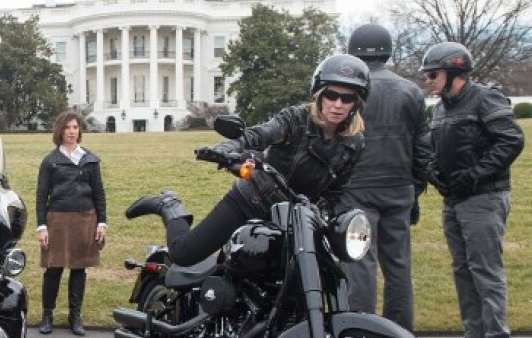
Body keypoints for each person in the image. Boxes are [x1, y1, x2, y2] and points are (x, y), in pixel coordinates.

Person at [139, 54, 370, 267]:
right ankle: (171, 207)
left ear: (356, 103)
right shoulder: (296, 119)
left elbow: (337, 192)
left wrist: (322, 214)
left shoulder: (354, 143)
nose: (338, 104)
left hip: (296, 220)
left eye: (347, 98)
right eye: (331, 95)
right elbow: (258, 135)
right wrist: (229, 148)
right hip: (251, 200)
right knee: (184, 255)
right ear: (320, 95)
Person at [422, 43, 524, 338]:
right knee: (462, 269)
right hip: (454, 199)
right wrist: (435, 173)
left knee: (485, 269)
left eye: (433, 74)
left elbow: (511, 139)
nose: (428, 81)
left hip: (484, 197)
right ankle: (475, 336)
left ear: (454, 73)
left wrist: (474, 175)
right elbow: (433, 147)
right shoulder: (440, 109)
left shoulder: (485, 98)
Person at [339, 24, 435, 332]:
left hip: (358, 189)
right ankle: (399, 333)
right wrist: (415, 189)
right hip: (399, 189)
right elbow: (423, 149)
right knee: (398, 267)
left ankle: (362, 333)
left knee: (360, 264)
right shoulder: (411, 91)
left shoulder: (349, 89)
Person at [35, 111, 106, 337]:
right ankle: (47, 315)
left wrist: (102, 223)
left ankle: (75, 316)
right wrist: (42, 227)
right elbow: (41, 196)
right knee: (53, 268)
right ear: (60, 131)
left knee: (78, 269)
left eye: (75, 127)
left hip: (85, 219)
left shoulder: (90, 159)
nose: (72, 132)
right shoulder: (50, 161)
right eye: (67, 128)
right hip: (57, 220)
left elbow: (100, 194)